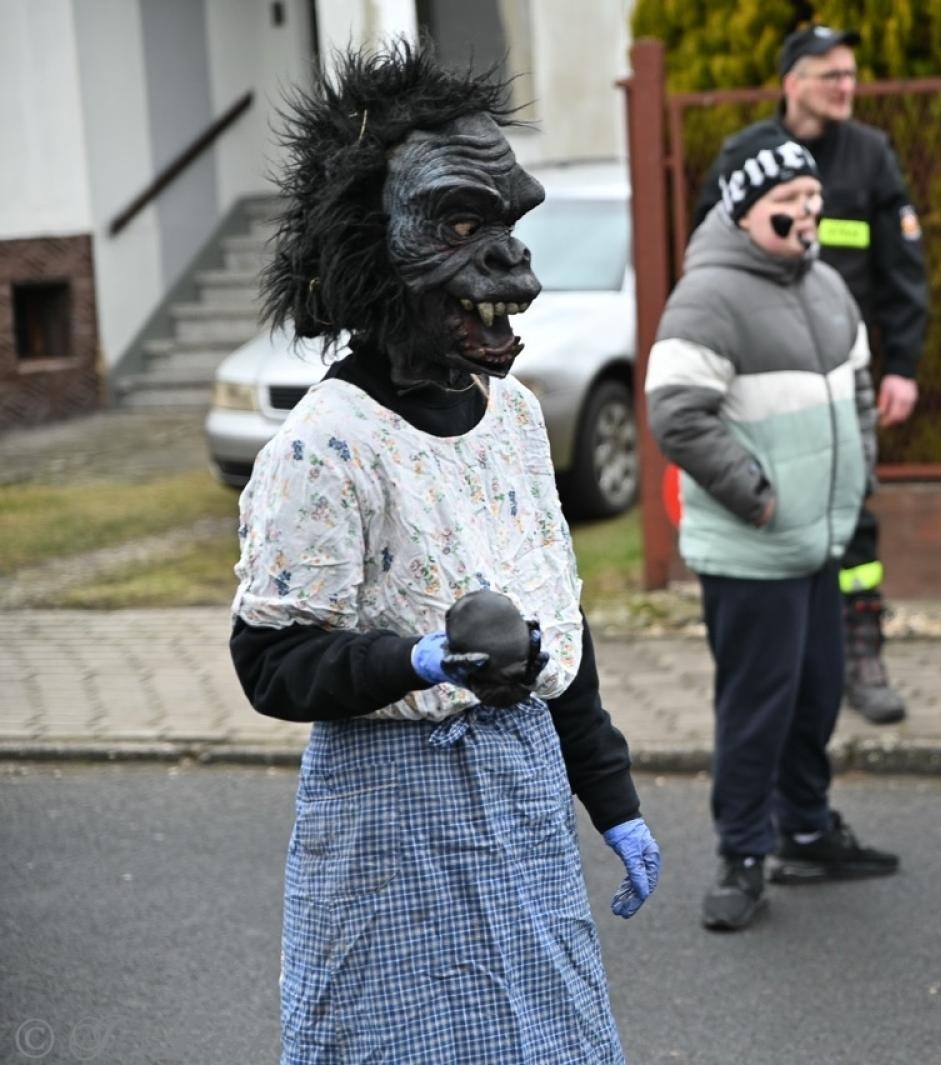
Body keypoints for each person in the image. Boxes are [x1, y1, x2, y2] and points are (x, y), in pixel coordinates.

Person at [229, 44, 659, 1062]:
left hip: (520, 795)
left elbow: (561, 621)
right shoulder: (327, 447)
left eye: (509, 225)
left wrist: (614, 800)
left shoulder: (511, 417)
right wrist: (415, 658)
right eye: (461, 223)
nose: (514, 262)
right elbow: (270, 662)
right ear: (371, 250)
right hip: (393, 813)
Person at [648, 128, 898, 933]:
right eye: (788, 204)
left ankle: (805, 826)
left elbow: (857, 388)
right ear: (745, 207)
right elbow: (676, 414)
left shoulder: (824, 283)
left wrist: (855, 476)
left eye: (813, 200)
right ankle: (741, 850)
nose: (808, 216)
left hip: (818, 538)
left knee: (818, 690)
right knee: (758, 702)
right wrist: (757, 496)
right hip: (754, 545)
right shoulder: (709, 295)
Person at [692, 23, 930, 725]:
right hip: (760, 378)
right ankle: (786, 656)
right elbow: (706, 259)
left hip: (842, 376)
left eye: (851, 75)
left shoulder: (870, 156)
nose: (846, 87)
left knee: (851, 514)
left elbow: (903, 272)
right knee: (768, 512)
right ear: (793, 81)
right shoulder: (745, 155)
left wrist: (904, 369)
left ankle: (861, 652)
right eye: (832, 75)